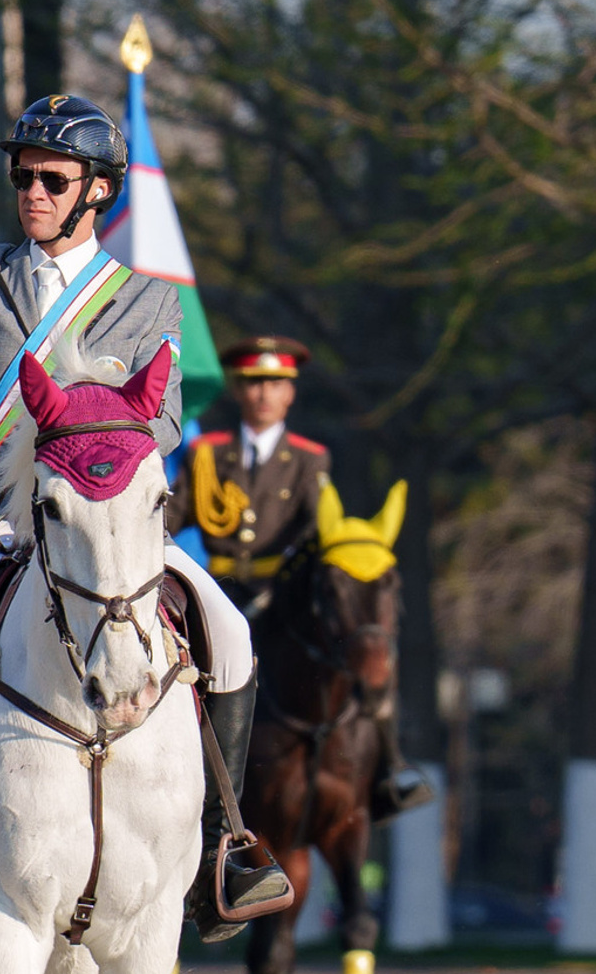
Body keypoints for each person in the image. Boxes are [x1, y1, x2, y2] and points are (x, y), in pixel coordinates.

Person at [0, 96, 267, 946]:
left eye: (52, 178)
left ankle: (225, 849)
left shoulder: (148, 302)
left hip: (107, 531)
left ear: (97, 190)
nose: (31, 191)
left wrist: (79, 436)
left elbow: (165, 426)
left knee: (233, 633)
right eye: (22, 174)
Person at [169, 334, 432, 825]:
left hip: (280, 592)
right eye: (252, 383)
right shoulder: (208, 454)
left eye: (274, 383)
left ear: (290, 393)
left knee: (362, 645)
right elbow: (176, 515)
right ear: (237, 390)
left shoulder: (311, 459)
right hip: (220, 588)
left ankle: (388, 767)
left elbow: (317, 532)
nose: (263, 394)